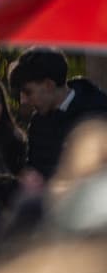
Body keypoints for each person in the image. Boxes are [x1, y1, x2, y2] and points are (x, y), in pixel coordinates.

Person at [7, 46, 107, 179]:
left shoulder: (99, 113)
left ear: (49, 85)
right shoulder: (38, 122)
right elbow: (34, 167)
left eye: (28, 92)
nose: (23, 100)